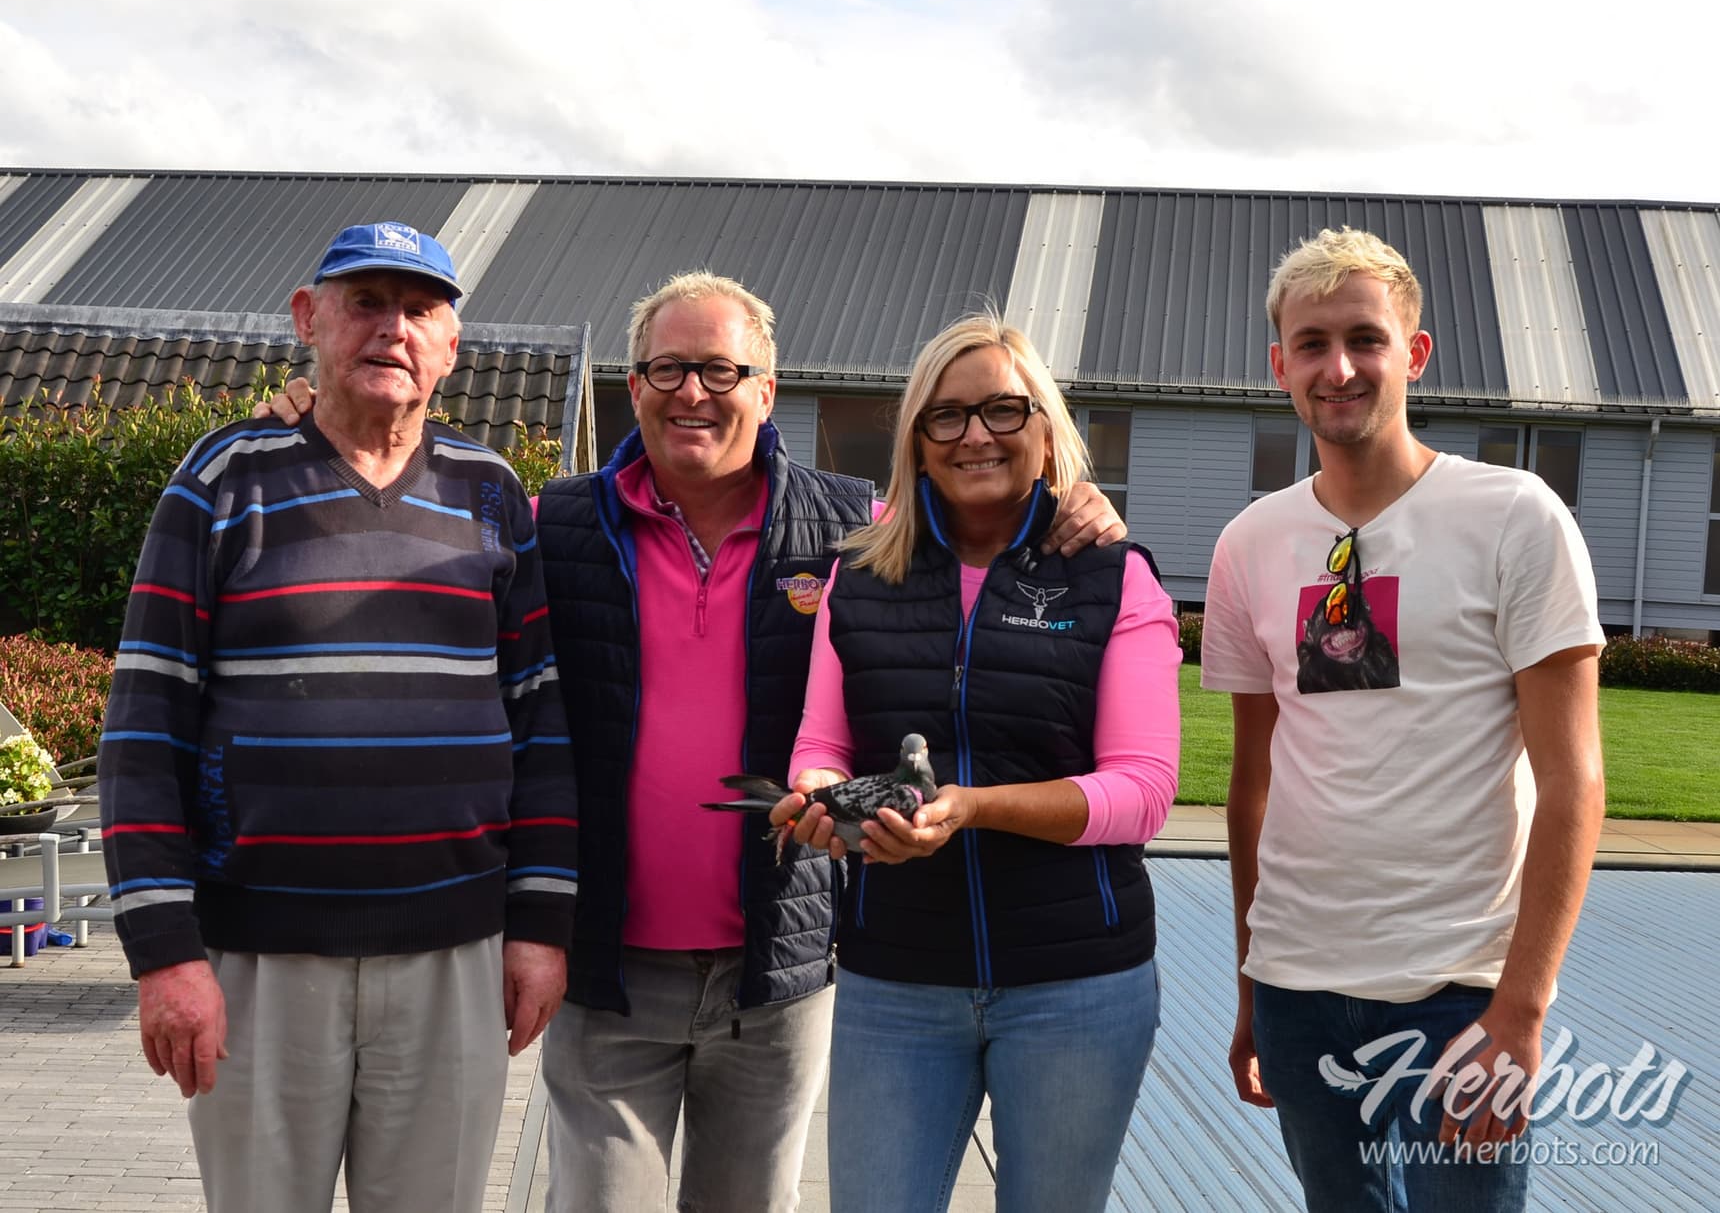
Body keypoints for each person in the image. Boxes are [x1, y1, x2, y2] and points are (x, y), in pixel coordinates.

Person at [264, 270, 1127, 1212]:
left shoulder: (853, 529)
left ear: (768, 388)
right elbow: (411, 525)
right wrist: (319, 421)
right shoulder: (557, 522)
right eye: (667, 369)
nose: (693, 393)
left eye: (721, 370)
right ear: (633, 387)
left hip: (779, 971)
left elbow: (975, 527)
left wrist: (1072, 502)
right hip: (606, 968)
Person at [99, 222, 578, 1213]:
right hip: (259, 960)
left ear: (452, 345)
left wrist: (539, 924)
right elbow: (144, 727)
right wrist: (166, 953)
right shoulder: (223, 480)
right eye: (366, 302)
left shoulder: (491, 494)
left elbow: (539, 721)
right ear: (308, 319)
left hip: (454, 955)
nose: (393, 328)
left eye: (420, 310)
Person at [1200, 227, 1606, 1211]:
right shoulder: (1250, 543)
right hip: (1299, 987)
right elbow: (1254, 784)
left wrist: (1520, 1008)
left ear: (1413, 352)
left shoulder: (1515, 518)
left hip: (1459, 991)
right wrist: (1253, 983)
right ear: (1279, 366)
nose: (1337, 368)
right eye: (1311, 344)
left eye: (1364, 339)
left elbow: (1573, 782)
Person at [776, 314, 1181, 1213]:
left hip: (1078, 985)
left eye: (1003, 410)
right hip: (896, 980)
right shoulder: (857, 576)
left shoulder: (1115, 576)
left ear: (1045, 427)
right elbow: (822, 746)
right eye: (946, 416)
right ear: (917, 439)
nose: (975, 436)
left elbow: (1144, 792)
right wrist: (822, 800)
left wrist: (972, 807)